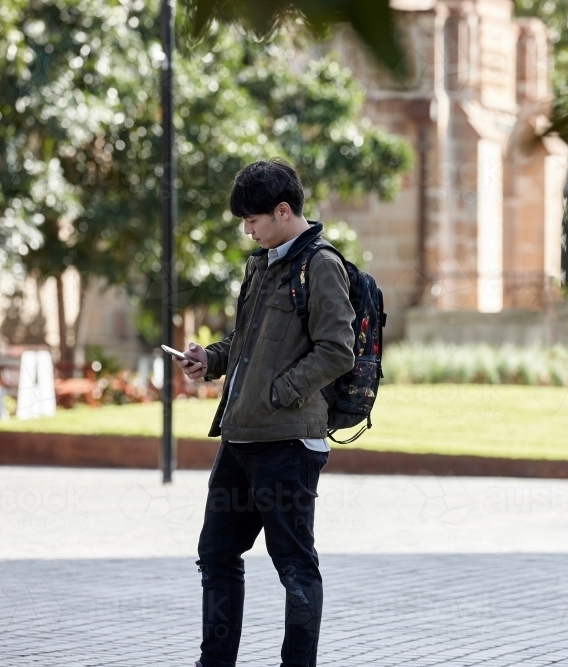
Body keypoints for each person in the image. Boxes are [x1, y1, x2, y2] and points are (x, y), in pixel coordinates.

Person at [178, 158, 356, 667]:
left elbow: (337, 349)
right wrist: (209, 359)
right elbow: (248, 342)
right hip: (239, 439)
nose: (247, 230)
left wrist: (280, 393)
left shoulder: (321, 265)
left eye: (253, 221)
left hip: (288, 445)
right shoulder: (260, 265)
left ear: (283, 210)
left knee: (295, 568)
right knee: (216, 555)